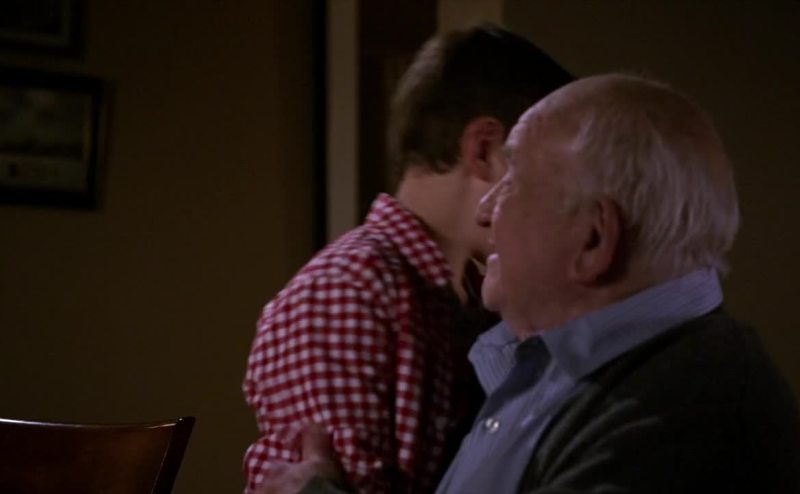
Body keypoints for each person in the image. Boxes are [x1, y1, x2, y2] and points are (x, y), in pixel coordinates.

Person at [257, 73, 800, 494]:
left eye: (514, 183)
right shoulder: (567, 371)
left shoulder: (684, 409)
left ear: (593, 240)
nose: (487, 210)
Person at [242, 24, 574, 494]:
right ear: (485, 151)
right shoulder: (346, 291)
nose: (559, 200)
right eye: (551, 173)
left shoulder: (475, 302)